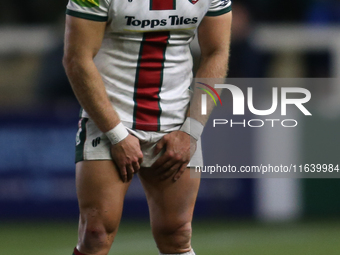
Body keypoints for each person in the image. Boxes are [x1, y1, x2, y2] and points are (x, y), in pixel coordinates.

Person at [63, 0, 232, 254]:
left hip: (176, 122)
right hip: (109, 119)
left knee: (177, 233)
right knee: (95, 233)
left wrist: (191, 130)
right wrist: (117, 134)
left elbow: (216, 53)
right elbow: (76, 58)